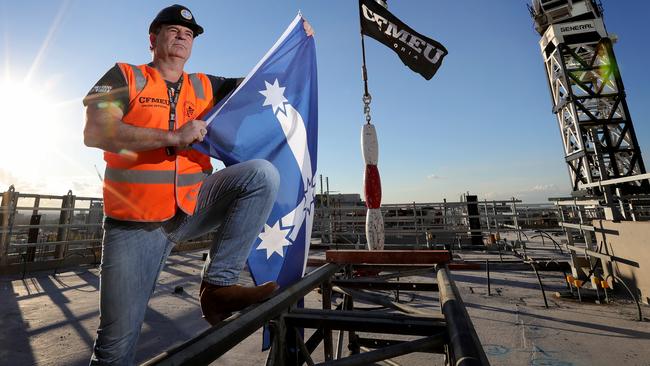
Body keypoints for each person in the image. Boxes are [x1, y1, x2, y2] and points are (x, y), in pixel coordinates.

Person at [82, 4, 314, 365]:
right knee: (115, 346)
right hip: (133, 226)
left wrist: (299, 47)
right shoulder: (124, 75)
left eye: (188, 34)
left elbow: (262, 84)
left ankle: (217, 287)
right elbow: (97, 131)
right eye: (173, 30)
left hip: (191, 208)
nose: (182, 36)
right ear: (152, 38)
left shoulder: (205, 86)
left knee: (261, 175)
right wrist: (172, 136)